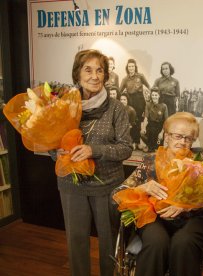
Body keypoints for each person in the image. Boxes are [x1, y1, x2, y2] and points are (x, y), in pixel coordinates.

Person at [51, 49, 133, 276]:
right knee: (76, 243)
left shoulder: (117, 108)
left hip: (106, 185)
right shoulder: (64, 106)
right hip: (71, 185)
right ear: (77, 74)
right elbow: (51, 140)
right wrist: (54, 152)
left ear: (106, 76)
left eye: (100, 70)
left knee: (109, 244)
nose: (94, 76)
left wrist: (93, 150)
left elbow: (126, 148)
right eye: (88, 70)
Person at [123, 112, 203, 276]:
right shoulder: (151, 161)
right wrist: (143, 188)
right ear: (167, 136)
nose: (183, 142)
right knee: (156, 242)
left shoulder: (201, 163)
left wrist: (186, 205)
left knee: (184, 242)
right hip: (155, 217)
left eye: (188, 138)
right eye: (178, 136)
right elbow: (119, 193)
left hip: (193, 219)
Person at [119, 58, 150, 150]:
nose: (131, 68)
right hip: (130, 100)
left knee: (138, 122)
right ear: (127, 68)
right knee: (132, 121)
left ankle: (137, 143)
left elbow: (148, 86)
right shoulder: (125, 79)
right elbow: (120, 91)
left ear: (135, 67)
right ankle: (131, 142)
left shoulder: (140, 76)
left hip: (139, 100)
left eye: (132, 66)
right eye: (129, 66)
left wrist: (149, 96)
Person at [141, 87, 168, 152]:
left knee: (157, 150)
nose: (154, 97)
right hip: (151, 126)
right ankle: (148, 145)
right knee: (142, 133)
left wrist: (162, 133)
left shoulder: (164, 106)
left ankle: (155, 145)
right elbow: (146, 118)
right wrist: (144, 128)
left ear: (159, 96)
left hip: (159, 127)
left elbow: (166, 121)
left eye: (156, 95)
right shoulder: (148, 104)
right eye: (152, 95)